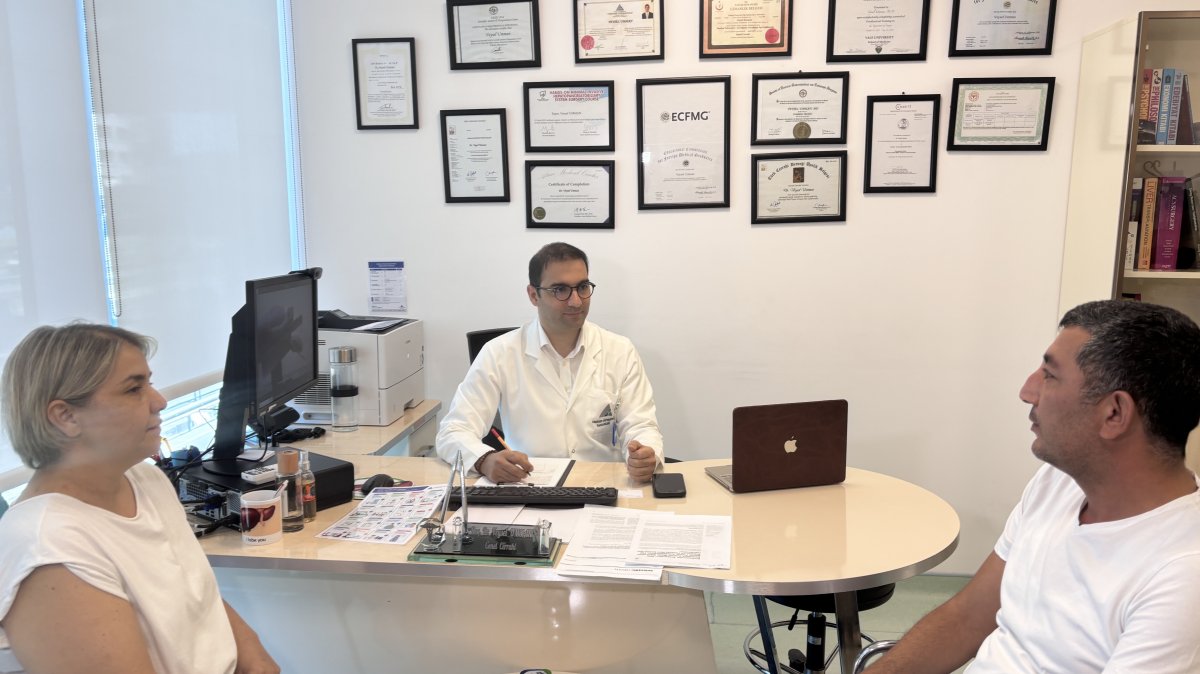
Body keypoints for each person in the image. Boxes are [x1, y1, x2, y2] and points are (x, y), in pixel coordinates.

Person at [866, 300, 1200, 673]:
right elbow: (967, 619)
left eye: (1050, 375)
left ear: (1114, 413)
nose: (1027, 391)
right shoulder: (1059, 483)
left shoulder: (1182, 577)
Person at [0, 324, 279, 674]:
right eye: (134, 389)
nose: (159, 401)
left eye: (148, 382)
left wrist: (253, 655)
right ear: (66, 416)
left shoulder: (142, 478)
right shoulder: (48, 547)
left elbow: (195, 597)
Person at [436, 242, 664, 484]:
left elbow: (641, 424)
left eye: (583, 287)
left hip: (603, 486)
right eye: (560, 290)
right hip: (529, 485)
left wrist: (646, 454)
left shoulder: (619, 350)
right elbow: (453, 431)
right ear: (534, 295)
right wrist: (484, 459)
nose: (576, 301)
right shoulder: (499, 353)